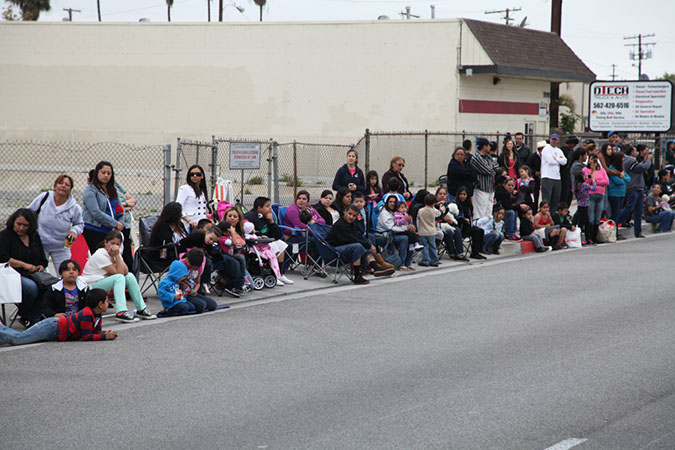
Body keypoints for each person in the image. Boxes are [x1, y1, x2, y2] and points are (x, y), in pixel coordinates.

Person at [81, 230, 157, 323]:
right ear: (105, 242)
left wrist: (117, 256)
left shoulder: (115, 253)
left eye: (117, 244)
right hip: (91, 287)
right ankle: (121, 312)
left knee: (130, 276)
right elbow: (119, 274)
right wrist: (117, 255)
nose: (114, 246)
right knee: (119, 277)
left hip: (103, 283)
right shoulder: (100, 254)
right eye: (112, 243)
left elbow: (125, 272)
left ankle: (141, 309)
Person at [0, 289, 117, 346]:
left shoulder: (97, 313)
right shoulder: (87, 313)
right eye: (107, 301)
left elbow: (95, 331)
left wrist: (105, 332)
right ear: (100, 304)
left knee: (21, 337)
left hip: (57, 332)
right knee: (19, 339)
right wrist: (105, 336)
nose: (108, 303)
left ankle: (2, 329)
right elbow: (86, 336)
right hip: (52, 327)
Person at [0, 209, 49, 327]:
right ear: (13, 222)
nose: (21, 228)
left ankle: (35, 316)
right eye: (19, 224)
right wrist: (24, 265)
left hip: (32, 273)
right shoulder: (4, 236)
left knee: (50, 286)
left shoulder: (34, 236)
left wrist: (41, 266)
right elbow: (3, 258)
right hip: (9, 274)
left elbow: (43, 258)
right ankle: (27, 315)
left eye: (25, 225)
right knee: (31, 288)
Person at [27, 174, 84, 272]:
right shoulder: (44, 197)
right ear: (55, 186)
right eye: (60, 183)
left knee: (66, 272)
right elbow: (28, 213)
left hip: (61, 246)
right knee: (40, 273)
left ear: (70, 189)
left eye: (67, 185)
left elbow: (80, 224)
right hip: (40, 244)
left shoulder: (75, 208)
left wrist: (74, 231)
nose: (63, 186)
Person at [327, 205, 395, 284]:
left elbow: (357, 236)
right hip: (333, 250)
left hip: (345, 246)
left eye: (354, 216)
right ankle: (357, 277)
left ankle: (376, 268)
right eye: (349, 214)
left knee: (362, 245)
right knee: (358, 246)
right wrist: (369, 245)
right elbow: (352, 239)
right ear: (345, 212)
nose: (351, 217)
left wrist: (369, 245)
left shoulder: (351, 223)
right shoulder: (341, 225)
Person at [82, 161, 125, 253]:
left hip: (110, 232)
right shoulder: (90, 190)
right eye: (103, 172)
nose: (106, 175)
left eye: (109, 173)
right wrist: (114, 223)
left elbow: (120, 209)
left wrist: (120, 223)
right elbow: (95, 212)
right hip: (94, 230)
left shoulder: (112, 190)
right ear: (97, 173)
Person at [617, 145, 652, 239]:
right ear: (631, 152)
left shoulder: (633, 160)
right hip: (633, 187)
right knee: (629, 208)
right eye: (635, 151)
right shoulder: (630, 160)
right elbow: (642, 168)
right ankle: (615, 222)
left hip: (639, 187)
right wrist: (648, 160)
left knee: (638, 210)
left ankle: (638, 231)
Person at [376, 195, 414, 270]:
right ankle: (402, 263)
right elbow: (391, 228)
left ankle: (408, 262)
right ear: (387, 203)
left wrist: (410, 227)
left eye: (394, 202)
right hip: (383, 235)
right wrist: (406, 228)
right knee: (404, 238)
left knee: (412, 236)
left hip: (394, 234)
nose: (392, 203)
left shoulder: (397, 212)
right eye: (390, 202)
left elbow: (403, 222)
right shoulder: (385, 213)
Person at [434, 187, 468, 261]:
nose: (442, 196)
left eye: (444, 194)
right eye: (440, 194)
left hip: (449, 225)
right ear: (436, 196)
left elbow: (455, 219)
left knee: (457, 230)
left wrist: (451, 221)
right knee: (449, 232)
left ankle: (460, 254)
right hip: (437, 226)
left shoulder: (450, 206)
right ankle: (452, 253)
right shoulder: (433, 206)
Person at [453, 187, 486, 260]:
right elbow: (455, 216)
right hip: (459, 227)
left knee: (480, 231)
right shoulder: (455, 204)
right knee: (476, 231)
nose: (462, 196)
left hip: (468, 226)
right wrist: (464, 219)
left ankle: (477, 252)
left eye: (464, 194)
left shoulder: (468, 204)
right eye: (461, 194)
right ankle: (475, 253)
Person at [582, 154, 609, 244]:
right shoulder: (585, 170)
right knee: (591, 217)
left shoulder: (602, 170)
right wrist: (592, 173)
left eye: (594, 159)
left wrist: (596, 181)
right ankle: (589, 238)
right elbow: (586, 182)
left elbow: (606, 181)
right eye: (590, 159)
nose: (592, 161)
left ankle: (595, 236)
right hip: (590, 195)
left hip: (600, 195)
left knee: (598, 217)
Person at [176, 164, 211, 231]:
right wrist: (188, 221)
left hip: (202, 223)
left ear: (202, 176)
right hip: (189, 223)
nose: (195, 176)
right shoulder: (185, 189)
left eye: (198, 174)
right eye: (192, 174)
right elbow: (178, 207)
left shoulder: (203, 191)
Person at [470, 137, 498, 220]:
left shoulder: (488, 157)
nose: (490, 147)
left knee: (488, 213)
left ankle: (487, 230)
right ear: (484, 146)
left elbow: (496, 166)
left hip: (490, 188)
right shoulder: (476, 157)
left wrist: (492, 168)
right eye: (489, 146)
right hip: (481, 188)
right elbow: (488, 171)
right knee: (480, 212)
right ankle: (479, 230)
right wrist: (491, 168)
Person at [540, 134, 567, 211]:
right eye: (553, 139)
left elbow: (564, 161)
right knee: (546, 200)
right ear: (550, 139)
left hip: (557, 177)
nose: (554, 141)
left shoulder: (559, 150)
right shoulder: (546, 149)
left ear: (558, 140)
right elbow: (550, 161)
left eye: (556, 140)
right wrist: (559, 160)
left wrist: (556, 159)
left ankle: (553, 217)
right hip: (547, 176)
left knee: (556, 200)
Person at [113, 181, 137, 270]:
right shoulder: (103, 190)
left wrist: (122, 205)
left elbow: (133, 200)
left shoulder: (117, 185)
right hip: (116, 225)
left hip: (126, 225)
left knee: (128, 254)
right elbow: (112, 207)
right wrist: (126, 206)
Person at [607, 153, 630, 241]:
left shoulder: (621, 169)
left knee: (618, 212)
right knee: (615, 214)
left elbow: (628, 179)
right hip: (614, 194)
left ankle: (616, 232)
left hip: (621, 193)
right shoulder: (612, 168)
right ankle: (614, 233)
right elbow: (618, 181)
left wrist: (622, 177)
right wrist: (622, 178)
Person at [416, 194, 440, 267]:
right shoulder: (434, 211)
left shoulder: (421, 211)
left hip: (423, 231)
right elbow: (439, 214)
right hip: (432, 231)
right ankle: (434, 260)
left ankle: (425, 260)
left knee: (424, 246)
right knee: (432, 246)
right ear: (433, 203)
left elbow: (418, 220)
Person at [573, 172, 595, 245]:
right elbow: (594, 188)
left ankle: (587, 238)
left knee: (584, 222)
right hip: (585, 205)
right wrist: (593, 180)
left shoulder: (576, 186)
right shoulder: (584, 185)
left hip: (580, 205)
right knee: (583, 223)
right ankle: (584, 238)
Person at [560, 136, 578, 205]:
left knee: (569, 194)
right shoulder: (563, 150)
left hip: (569, 175)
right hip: (563, 174)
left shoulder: (572, 152)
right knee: (564, 194)